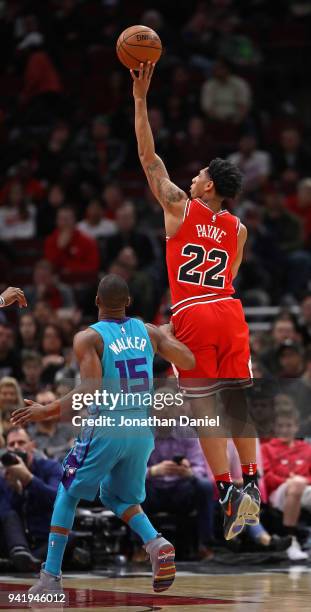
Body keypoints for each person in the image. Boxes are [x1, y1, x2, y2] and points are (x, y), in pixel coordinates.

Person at [131, 62, 259, 541]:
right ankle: (252, 481)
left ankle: (226, 490)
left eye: (200, 173)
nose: (193, 175)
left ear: (208, 187)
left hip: (193, 313)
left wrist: (141, 100)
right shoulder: (239, 228)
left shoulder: (177, 207)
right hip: (228, 308)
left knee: (207, 408)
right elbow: (229, 275)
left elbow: (149, 158)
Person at [11, 273, 195, 595]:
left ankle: (50, 578)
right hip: (140, 428)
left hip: (107, 425)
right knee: (115, 495)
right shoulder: (149, 331)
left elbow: (90, 392)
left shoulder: (89, 338)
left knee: (67, 492)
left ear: (96, 301)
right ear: (129, 303)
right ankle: (155, 543)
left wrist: (45, 410)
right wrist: (166, 336)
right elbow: (188, 360)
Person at [0, 426, 62, 571]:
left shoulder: (51, 467)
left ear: (32, 445)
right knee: (8, 514)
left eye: (21, 443)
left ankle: (23, 562)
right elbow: (6, 514)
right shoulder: (3, 476)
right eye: (12, 444)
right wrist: (16, 491)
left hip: (45, 539)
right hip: (15, 541)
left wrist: (29, 480)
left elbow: (57, 500)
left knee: (69, 537)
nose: (16, 447)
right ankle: (24, 557)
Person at [261, 404, 311, 561]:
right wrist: (289, 482)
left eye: (289, 425)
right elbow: (267, 477)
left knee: (298, 485)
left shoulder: (307, 449)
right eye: (280, 426)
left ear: (296, 427)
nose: (285, 429)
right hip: (279, 492)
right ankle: (291, 540)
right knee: (295, 485)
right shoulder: (266, 448)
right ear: (274, 428)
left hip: (305, 489)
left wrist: (302, 481)